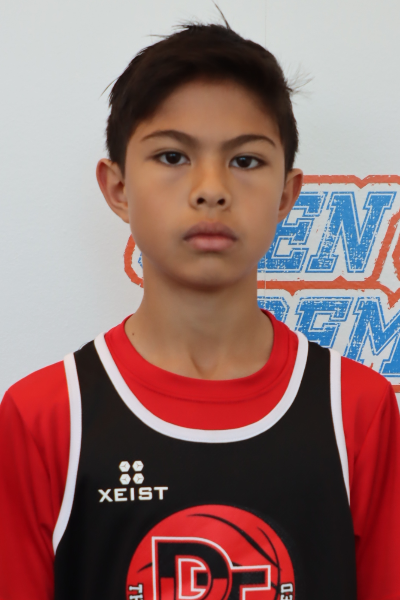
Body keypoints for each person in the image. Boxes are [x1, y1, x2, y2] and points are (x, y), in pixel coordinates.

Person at [1, 21, 399, 600]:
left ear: (287, 195)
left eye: (246, 161)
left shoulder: (358, 410)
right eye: (173, 156)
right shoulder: (44, 418)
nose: (211, 189)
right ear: (118, 188)